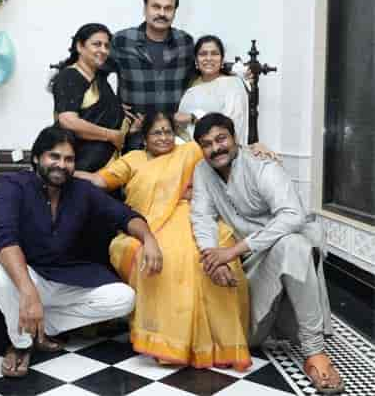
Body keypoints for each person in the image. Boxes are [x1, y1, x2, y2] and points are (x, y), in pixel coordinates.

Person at [76, 112, 252, 370]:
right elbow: (99, 180)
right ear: (145, 138)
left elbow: (227, 149)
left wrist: (258, 148)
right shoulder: (132, 159)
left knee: (200, 253)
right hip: (146, 225)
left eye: (168, 131)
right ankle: (167, 341)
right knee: (162, 255)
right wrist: (67, 171)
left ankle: (214, 343)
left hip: (189, 216)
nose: (164, 137)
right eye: (157, 132)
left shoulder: (189, 151)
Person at [0, 126, 162, 378]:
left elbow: (124, 215)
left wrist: (149, 238)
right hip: (28, 274)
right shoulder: (14, 185)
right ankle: (21, 345)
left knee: (123, 298)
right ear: (36, 158)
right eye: (54, 157)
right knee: (0, 277)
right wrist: (28, 291)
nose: (61, 165)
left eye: (68, 159)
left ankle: (37, 327)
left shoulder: (82, 190)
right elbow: (4, 238)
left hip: (67, 277)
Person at [190, 113, 344, 394]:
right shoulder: (202, 171)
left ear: (235, 138)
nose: (216, 148)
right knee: (245, 339)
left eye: (221, 139)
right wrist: (212, 255)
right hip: (250, 265)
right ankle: (267, 328)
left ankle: (315, 353)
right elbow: (201, 217)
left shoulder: (261, 164)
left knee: (293, 244)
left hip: (280, 251)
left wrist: (233, 251)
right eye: (207, 143)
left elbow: (293, 216)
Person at [50, 23, 128, 172]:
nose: (103, 50)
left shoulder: (99, 78)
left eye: (106, 46)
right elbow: (68, 121)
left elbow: (103, 110)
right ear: (80, 46)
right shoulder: (70, 76)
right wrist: (111, 135)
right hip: (80, 167)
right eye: (97, 44)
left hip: (105, 166)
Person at [109, 0, 195, 116]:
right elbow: (96, 73)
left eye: (168, 8)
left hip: (173, 129)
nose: (162, 13)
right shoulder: (122, 40)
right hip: (134, 129)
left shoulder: (185, 42)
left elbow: (199, 77)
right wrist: (110, 103)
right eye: (156, 7)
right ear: (145, 8)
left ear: (175, 11)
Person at [175, 35, 249, 143]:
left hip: (216, 150)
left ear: (222, 60)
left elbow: (231, 127)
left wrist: (193, 118)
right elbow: (179, 125)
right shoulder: (191, 86)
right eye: (203, 54)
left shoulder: (233, 85)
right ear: (196, 60)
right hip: (183, 147)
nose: (208, 58)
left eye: (214, 54)